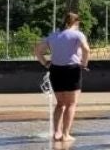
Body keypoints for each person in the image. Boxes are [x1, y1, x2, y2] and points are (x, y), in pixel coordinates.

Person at [33, 13, 90, 142]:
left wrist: (45, 63)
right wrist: (84, 64)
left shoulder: (53, 35)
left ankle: (56, 133)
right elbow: (86, 50)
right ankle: (65, 135)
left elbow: (37, 51)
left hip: (56, 70)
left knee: (60, 103)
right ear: (75, 22)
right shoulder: (77, 34)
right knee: (71, 103)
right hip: (72, 70)